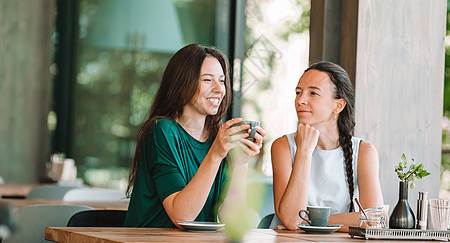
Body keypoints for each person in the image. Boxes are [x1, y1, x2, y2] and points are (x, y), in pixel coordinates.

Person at [124, 43, 265, 228]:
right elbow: (182, 216)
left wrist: (241, 162)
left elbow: (231, 218)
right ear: (182, 84)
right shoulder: (162, 131)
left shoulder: (217, 136)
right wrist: (215, 154)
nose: (218, 89)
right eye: (207, 80)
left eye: (222, 81)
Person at [270, 61, 383, 231]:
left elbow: (375, 220)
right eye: (298, 92)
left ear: (338, 105)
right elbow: (292, 219)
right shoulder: (283, 146)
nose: (301, 100)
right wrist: (304, 152)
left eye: (313, 93)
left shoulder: (364, 152)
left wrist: (311, 222)